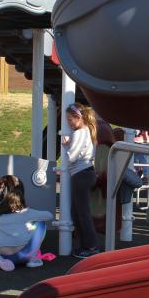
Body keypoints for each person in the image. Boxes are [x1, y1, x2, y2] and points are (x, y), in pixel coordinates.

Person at [61, 103, 101, 258]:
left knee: (81, 213)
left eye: (71, 119)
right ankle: (86, 246)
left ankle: (91, 247)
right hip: (87, 173)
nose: (69, 123)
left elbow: (72, 157)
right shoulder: (88, 132)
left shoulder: (79, 133)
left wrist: (66, 146)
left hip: (81, 174)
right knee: (78, 212)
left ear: (79, 118)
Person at [0, 175, 54, 271]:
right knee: (40, 223)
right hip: (23, 255)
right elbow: (49, 215)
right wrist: (31, 214)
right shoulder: (27, 212)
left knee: (15, 228)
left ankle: (3, 259)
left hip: (4, 253)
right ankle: (32, 260)